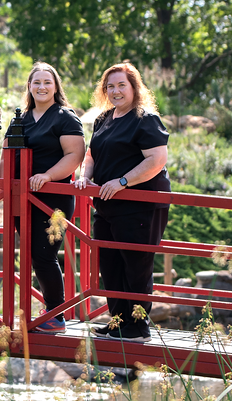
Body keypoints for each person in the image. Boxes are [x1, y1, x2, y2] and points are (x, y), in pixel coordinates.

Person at [74, 62, 170, 343]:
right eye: (110, 86)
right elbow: (91, 154)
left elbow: (156, 160)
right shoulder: (104, 118)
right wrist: (84, 176)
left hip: (139, 204)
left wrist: (123, 182)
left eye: (121, 85)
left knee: (136, 267)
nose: (115, 91)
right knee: (110, 265)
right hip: (106, 205)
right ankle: (117, 322)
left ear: (134, 87)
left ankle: (138, 328)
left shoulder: (145, 118)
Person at [12, 62, 85, 333]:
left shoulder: (65, 117)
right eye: (36, 82)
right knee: (34, 255)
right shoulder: (20, 119)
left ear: (56, 87)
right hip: (24, 200)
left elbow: (74, 156)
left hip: (55, 200)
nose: (41, 87)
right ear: (29, 87)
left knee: (46, 255)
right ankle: (50, 312)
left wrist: (49, 176)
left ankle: (57, 315)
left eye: (47, 82)